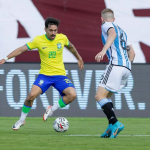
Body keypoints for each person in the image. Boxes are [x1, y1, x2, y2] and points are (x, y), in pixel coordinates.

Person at [0, 17, 84, 130]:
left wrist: (79, 58)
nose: (53, 33)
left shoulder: (62, 38)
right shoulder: (38, 40)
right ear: (45, 29)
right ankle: (21, 120)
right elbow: (21, 50)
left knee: (72, 95)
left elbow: (71, 47)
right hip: (45, 76)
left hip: (60, 76)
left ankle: (51, 109)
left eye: (55, 30)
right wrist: (6, 58)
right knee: (31, 97)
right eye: (51, 30)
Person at [95, 8, 135, 138]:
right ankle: (111, 126)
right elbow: (132, 53)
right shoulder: (123, 32)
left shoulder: (106, 25)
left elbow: (112, 34)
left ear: (102, 19)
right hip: (127, 68)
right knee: (106, 97)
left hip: (116, 65)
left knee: (99, 96)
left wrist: (102, 51)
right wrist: (126, 66)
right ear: (114, 19)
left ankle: (115, 123)